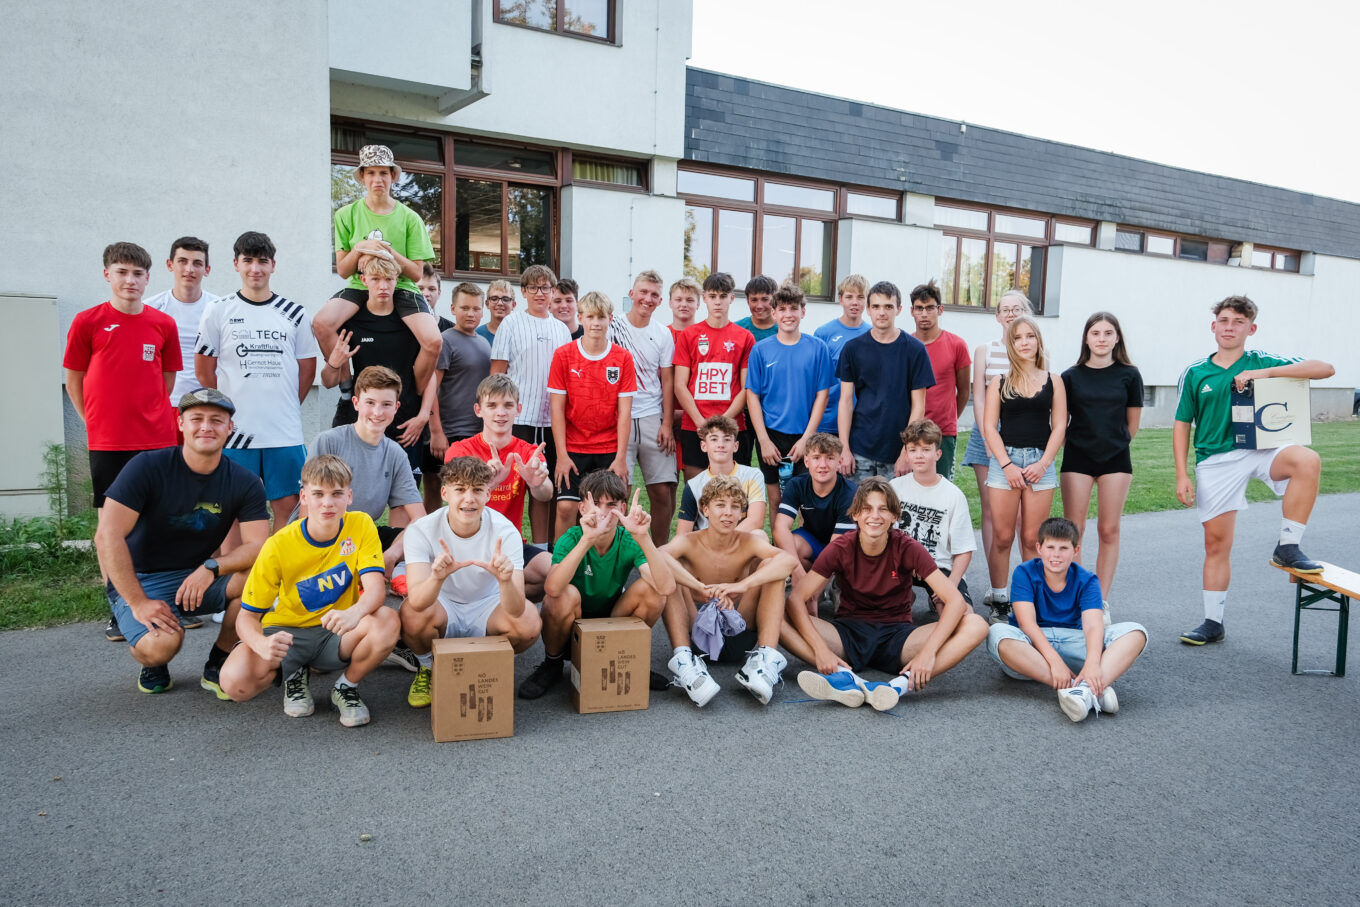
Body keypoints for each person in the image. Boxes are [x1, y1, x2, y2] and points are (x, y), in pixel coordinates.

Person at [1173, 295, 1334, 645]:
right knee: (1216, 544)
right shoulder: (1196, 371)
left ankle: (1288, 546)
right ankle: (1212, 623)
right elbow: (1182, 423)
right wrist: (1182, 474)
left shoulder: (1263, 359)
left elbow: (1325, 368)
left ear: (1251, 328)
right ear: (1214, 326)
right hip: (1216, 459)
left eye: (1239, 322)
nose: (1231, 327)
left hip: (1263, 448)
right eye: (1225, 321)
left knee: (1308, 459)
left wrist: (1265, 373)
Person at [95, 388, 269, 695]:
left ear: (230, 428)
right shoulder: (147, 467)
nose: (206, 426)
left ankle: (220, 659)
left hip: (197, 575)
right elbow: (107, 535)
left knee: (259, 582)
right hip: (142, 578)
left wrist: (212, 567)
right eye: (197, 419)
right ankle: (152, 659)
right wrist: (138, 602)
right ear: (180, 423)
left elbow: (258, 546)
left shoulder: (244, 482)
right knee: (161, 646)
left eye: (217, 420)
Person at [219, 454, 398, 727]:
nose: (327, 503)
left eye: (337, 493)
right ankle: (294, 674)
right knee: (234, 683)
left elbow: (375, 590)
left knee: (387, 619)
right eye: (318, 494)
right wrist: (261, 645)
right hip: (288, 635)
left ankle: (346, 687)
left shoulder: (360, 525)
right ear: (303, 496)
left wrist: (355, 612)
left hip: (337, 632)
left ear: (349, 496)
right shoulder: (277, 545)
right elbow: (247, 616)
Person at [785, 477, 987, 710]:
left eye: (883, 509)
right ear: (856, 515)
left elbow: (955, 601)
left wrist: (928, 654)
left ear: (894, 516)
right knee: (776, 613)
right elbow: (796, 599)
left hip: (898, 637)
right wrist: (820, 651)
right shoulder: (841, 547)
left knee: (976, 625)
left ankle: (899, 686)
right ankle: (844, 677)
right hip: (847, 634)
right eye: (867, 509)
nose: (875, 516)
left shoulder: (907, 546)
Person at [64, 241, 182, 641]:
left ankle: (162, 599)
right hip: (109, 442)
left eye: (137, 274)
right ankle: (119, 604)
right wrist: (93, 421)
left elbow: (166, 380)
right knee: (110, 527)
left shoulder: (162, 324)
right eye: (122, 272)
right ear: (107, 275)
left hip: (156, 438)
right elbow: (74, 379)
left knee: (157, 522)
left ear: (148, 278)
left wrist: (150, 413)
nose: (129, 280)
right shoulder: (87, 321)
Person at [194, 231, 316, 529]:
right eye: (248, 261)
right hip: (237, 432)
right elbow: (204, 369)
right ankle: (239, 574)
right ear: (236, 264)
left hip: (283, 431)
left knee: (288, 506)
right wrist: (223, 412)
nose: (255, 269)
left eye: (263, 261)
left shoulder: (294, 313)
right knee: (233, 509)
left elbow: (307, 369)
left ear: (273, 265)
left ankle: (280, 571)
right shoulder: (218, 310)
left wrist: (284, 405)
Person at [399, 458, 543, 708]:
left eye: (477, 490)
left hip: (488, 604)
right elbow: (419, 601)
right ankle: (427, 668)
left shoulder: (505, 531)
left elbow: (517, 610)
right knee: (411, 615)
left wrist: (506, 580)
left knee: (529, 623)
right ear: (445, 493)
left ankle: (482, 663)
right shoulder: (421, 530)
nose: (469, 498)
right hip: (442, 603)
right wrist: (437, 578)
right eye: (460, 489)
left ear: (488, 493)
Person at [519, 474, 675, 699]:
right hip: (572, 622)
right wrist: (587, 540)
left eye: (611, 504)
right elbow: (552, 590)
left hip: (612, 617)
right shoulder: (571, 538)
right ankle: (552, 663)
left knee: (653, 592)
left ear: (622, 507)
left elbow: (666, 587)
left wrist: (643, 537)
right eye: (597, 504)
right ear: (582, 508)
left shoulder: (629, 539)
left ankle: (625, 657)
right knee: (563, 595)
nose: (604, 512)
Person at [986, 518, 1147, 722]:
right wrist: (1054, 661)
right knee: (996, 633)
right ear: (1039, 548)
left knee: (1136, 632)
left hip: (1074, 642)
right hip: (1032, 650)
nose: (1056, 554)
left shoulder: (1087, 580)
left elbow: (1093, 625)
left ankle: (1086, 687)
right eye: (1050, 547)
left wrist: (1092, 663)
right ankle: (1086, 688)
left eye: (1063, 548)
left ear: (1076, 550)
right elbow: (1027, 624)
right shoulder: (1024, 572)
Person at [314, 144, 441, 392]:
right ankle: (347, 386)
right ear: (362, 177)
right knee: (321, 323)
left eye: (383, 173)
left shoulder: (410, 218)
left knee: (434, 340)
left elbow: (416, 274)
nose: (377, 179)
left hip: (401, 287)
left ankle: (413, 393)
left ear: (393, 176)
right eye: (371, 173)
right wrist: (361, 247)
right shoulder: (345, 214)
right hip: (360, 284)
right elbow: (343, 270)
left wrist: (388, 253)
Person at [660, 475, 796, 705]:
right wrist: (699, 587)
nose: (728, 513)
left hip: (741, 631)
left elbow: (788, 561)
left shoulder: (748, 541)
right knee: (669, 569)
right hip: (697, 637)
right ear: (705, 509)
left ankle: (764, 660)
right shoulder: (689, 541)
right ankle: (684, 662)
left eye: (735, 506)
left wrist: (741, 585)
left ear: (743, 512)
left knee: (771, 567)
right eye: (720, 505)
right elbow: (657, 556)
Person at [1060, 312, 1144, 626]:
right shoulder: (1070, 376)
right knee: (1074, 530)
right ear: (1086, 338)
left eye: (1108, 333)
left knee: (1109, 529)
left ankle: (1100, 601)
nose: (1102, 338)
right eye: (1096, 333)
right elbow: (1060, 421)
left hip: (1115, 461)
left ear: (1117, 338)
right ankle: (1078, 598)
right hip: (1077, 459)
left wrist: (1116, 444)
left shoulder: (1130, 374)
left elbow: (1132, 423)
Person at [982, 315, 1066, 624]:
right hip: (1004, 465)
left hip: (1040, 464)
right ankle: (1001, 597)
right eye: (1018, 338)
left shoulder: (1054, 380)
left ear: (1038, 341)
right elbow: (990, 427)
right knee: (1003, 536)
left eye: (1030, 336)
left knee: (1033, 539)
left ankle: (1029, 600)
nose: (1025, 342)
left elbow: (1059, 426)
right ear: (1011, 344)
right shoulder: (999, 382)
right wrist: (1006, 464)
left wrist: (1043, 463)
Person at [303, 366, 424, 576]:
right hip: (320, 534)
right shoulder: (328, 441)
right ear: (356, 403)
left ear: (396, 408)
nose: (377, 412)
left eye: (386, 404)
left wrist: (392, 555)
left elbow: (420, 520)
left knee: (422, 540)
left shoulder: (395, 454)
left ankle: (395, 572)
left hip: (360, 535)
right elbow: (307, 509)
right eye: (370, 403)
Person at [320, 255, 433, 475]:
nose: (383, 286)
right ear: (364, 281)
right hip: (362, 418)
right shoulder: (351, 322)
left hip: (405, 422)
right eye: (375, 279)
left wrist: (422, 416)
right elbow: (327, 382)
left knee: (404, 497)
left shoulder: (412, 322)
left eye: (389, 279)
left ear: (397, 279)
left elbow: (430, 374)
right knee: (350, 490)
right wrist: (334, 362)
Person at [446, 375, 555, 601]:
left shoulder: (528, 451)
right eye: (492, 405)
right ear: (478, 410)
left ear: (519, 409)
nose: (500, 413)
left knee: (556, 574)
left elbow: (546, 493)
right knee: (453, 586)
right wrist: (487, 483)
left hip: (510, 545)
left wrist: (537, 483)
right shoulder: (459, 450)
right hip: (466, 544)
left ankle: (498, 595)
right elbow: (456, 501)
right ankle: (494, 595)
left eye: (508, 405)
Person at [960, 291, 1030, 619]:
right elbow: (977, 395)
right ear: (998, 315)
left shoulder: (1034, 348)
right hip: (987, 432)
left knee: (1016, 518)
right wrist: (988, 437)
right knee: (991, 512)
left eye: (1017, 309)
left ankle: (1023, 585)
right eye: (1006, 310)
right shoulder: (985, 350)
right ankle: (995, 585)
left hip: (1021, 434)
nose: (1011, 314)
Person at [489, 264, 572, 543]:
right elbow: (497, 374)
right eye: (534, 287)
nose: (540, 293)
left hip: (552, 421)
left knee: (544, 486)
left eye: (546, 287)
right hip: (518, 421)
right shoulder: (510, 324)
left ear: (552, 291)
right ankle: (503, 543)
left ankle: (541, 548)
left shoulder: (561, 329)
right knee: (510, 487)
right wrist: (496, 416)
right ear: (523, 292)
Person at [547, 290, 637, 540]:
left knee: (610, 511)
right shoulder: (563, 355)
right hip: (574, 448)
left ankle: (608, 565)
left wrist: (621, 457)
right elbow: (557, 409)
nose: (596, 323)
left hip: (609, 448)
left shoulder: (622, 358)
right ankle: (560, 563)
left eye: (601, 317)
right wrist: (562, 455)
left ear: (610, 319)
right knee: (566, 507)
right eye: (590, 317)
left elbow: (624, 412)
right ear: (581, 318)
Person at [745, 283, 833, 516]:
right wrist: (763, 440)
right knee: (776, 502)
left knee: (807, 504)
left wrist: (807, 438)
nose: (788, 315)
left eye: (793, 308)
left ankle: (803, 553)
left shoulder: (818, 348)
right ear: (774, 313)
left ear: (803, 312)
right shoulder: (761, 350)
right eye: (782, 309)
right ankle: (777, 551)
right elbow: (752, 395)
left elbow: (822, 395)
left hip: (806, 435)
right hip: (772, 437)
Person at [836, 280, 934, 481]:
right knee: (858, 511)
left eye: (888, 306)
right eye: (876, 306)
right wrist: (844, 448)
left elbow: (918, 406)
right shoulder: (852, 349)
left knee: (895, 511)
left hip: (897, 450)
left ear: (898, 310)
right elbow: (845, 401)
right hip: (859, 449)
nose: (882, 312)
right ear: (868, 310)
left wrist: (907, 451)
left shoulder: (915, 350)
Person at [609, 270, 678, 545]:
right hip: (618, 418)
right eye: (643, 292)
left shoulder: (662, 333)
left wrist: (667, 424)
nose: (647, 299)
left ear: (660, 300)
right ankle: (615, 551)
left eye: (653, 295)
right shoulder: (613, 327)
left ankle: (660, 551)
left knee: (662, 491)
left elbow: (668, 379)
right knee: (618, 491)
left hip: (652, 416)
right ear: (631, 294)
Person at [890, 419, 976, 624]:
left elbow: (964, 549)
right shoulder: (894, 487)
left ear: (938, 453)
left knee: (964, 618)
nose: (919, 455)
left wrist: (951, 584)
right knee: (883, 608)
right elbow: (885, 534)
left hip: (938, 566)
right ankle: (903, 597)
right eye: (913, 450)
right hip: (899, 564)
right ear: (907, 454)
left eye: (925, 449)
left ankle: (937, 602)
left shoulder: (953, 495)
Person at [673, 272, 755, 480]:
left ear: (731, 298)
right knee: (697, 490)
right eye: (712, 296)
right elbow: (680, 385)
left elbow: (747, 388)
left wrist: (723, 421)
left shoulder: (744, 337)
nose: (717, 302)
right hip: (695, 425)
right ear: (705, 298)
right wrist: (701, 422)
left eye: (722, 296)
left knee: (733, 492)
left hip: (733, 424)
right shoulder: (689, 335)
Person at [426, 282, 491, 512]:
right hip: (450, 432)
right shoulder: (445, 340)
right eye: (465, 308)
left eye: (476, 308)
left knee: (473, 492)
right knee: (443, 490)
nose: (471, 314)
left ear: (483, 311)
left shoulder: (484, 343)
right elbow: (430, 387)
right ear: (453, 308)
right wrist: (436, 432)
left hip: (477, 432)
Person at [771, 433, 855, 604]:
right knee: (791, 544)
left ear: (840, 463)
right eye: (816, 458)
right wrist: (797, 571)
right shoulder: (797, 484)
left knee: (847, 608)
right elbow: (780, 528)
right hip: (814, 541)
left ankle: (830, 588)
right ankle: (810, 584)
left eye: (830, 458)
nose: (822, 465)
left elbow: (837, 548)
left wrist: (812, 594)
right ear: (807, 462)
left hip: (843, 548)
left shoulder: (849, 492)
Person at [145, 236, 218, 407]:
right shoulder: (150, 308)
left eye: (197, 263)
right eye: (182, 261)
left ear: (207, 269)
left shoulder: (218, 309)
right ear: (170, 265)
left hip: (207, 403)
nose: (189, 269)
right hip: (163, 402)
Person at [909, 279, 971, 479]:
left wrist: (949, 420)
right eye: (919, 308)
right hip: (910, 431)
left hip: (942, 431)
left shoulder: (956, 344)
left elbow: (964, 391)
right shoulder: (905, 345)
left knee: (942, 489)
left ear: (940, 309)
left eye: (929, 308)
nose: (924, 314)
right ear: (912, 311)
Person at [675, 416, 766, 535]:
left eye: (727, 439)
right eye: (714, 439)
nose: (721, 445)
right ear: (704, 446)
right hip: (708, 546)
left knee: (759, 536)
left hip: (740, 543)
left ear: (736, 446)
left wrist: (724, 541)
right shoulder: (693, 485)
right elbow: (683, 533)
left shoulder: (753, 475)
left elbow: (756, 520)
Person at [813, 274, 870, 437]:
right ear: (840, 299)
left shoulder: (872, 334)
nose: (855, 302)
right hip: (827, 419)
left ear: (866, 301)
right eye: (849, 296)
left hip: (861, 419)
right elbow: (816, 378)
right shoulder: (823, 333)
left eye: (860, 297)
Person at [666, 276, 702, 475]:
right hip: (666, 417)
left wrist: (689, 413)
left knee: (695, 480)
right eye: (679, 299)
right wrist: (669, 415)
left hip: (695, 416)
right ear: (670, 302)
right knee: (667, 482)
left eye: (689, 300)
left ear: (698, 303)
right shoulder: (661, 334)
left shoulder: (705, 335)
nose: (684, 305)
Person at [734, 274, 779, 341]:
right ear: (748, 301)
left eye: (765, 299)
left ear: (775, 300)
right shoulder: (736, 329)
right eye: (754, 300)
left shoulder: (784, 331)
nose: (759, 306)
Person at [478, 278, 515, 346]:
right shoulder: (477, 335)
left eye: (505, 299)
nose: (500, 303)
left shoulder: (522, 335)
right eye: (494, 299)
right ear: (487, 304)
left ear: (513, 305)